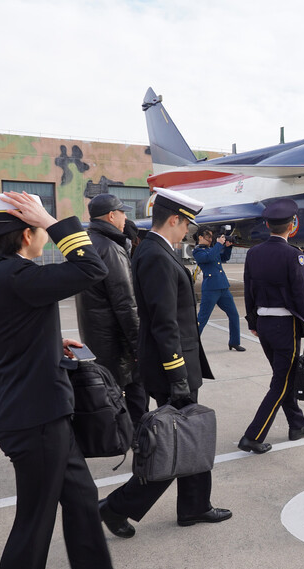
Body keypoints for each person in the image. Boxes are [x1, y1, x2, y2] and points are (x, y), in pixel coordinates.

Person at [0, 192, 140, 569]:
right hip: (36, 418)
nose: (44, 237)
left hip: (40, 412)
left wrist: (50, 342)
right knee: (34, 521)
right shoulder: (19, 275)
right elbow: (91, 267)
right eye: (40, 230)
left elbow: (6, 332)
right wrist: (53, 219)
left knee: (82, 496)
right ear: (27, 233)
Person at [100, 188, 231, 539]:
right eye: (185, 223)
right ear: (173, 219)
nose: (187, 230)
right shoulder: (156, 255)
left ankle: (193, 506)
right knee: (177, 441)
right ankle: (117, 507)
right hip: (172, 366)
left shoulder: (159, 250)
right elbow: (163, 321)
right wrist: (177, 374)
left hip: (175, 364)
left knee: (190, 436)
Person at [237, 198, 304, 454]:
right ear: (292, 225)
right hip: (285, 327)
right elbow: (301, 295)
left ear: (267, 224)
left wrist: (252, 321)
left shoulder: (253, 252)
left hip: (263, 325)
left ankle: (297, 424)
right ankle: (252, 436)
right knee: (281, 383)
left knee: (285, 377)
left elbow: (249, 291)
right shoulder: (293, 255)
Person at [75, 193, 148, 421]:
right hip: (115, 340)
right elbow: (125, 303)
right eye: (123, 212)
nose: (125, 218)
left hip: (97, 336)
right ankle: (140, 438)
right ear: (111, 215)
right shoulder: (110, 248)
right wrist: (139, 346)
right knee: (134, 393)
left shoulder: (88, 242)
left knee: (113, 391)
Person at [193, 225, 245, 351]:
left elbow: (224, 258)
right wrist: (218, 244)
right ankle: (193, 343)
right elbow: (208, 258)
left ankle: (234, 342)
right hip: (210, 289)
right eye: (208, 236)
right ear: (200, 237)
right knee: (202, 318)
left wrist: (228, 247)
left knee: (233, 314)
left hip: (223, 286)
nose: (210, 239)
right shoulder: (198, 251)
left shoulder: (212, 250)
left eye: (211, 236)